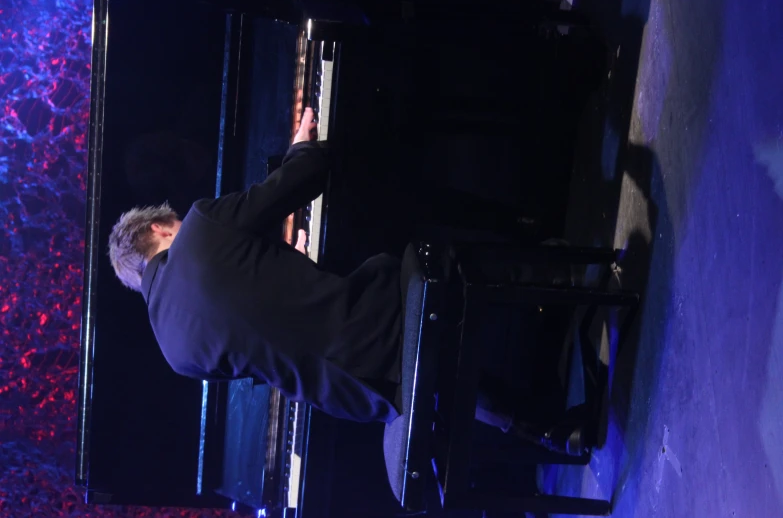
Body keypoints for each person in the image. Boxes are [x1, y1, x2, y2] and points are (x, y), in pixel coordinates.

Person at [108, 108, 583, 454]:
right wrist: (299, 145)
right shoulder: (199, 227)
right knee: (423, 261)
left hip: (355, 394)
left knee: (422, 367)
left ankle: (545, 430)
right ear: (157, 228)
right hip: (375, 321)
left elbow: (260, 329)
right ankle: (560, 276)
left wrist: (282, 264)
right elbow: (306, 174)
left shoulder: (175, 353)